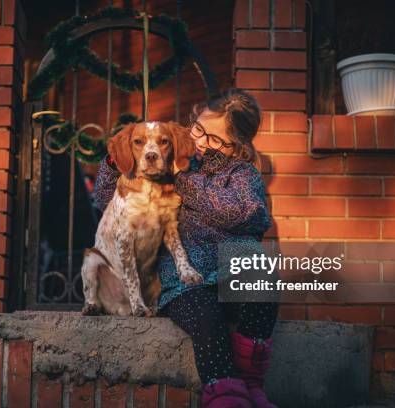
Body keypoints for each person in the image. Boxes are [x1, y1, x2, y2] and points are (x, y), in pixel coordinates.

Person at [93, 88, 279, 408]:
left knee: (261, 271)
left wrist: (182, 178)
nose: (201, 142)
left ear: (236, 145)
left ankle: (251, 384)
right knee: (206, 317)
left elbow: (241, 213)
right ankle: (226, 393)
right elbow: (105, 200)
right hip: (183, 283)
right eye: (199, 129)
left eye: (215, 139)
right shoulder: (168, 156)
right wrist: (115, 161)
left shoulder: (241, 174)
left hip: (228, 272)